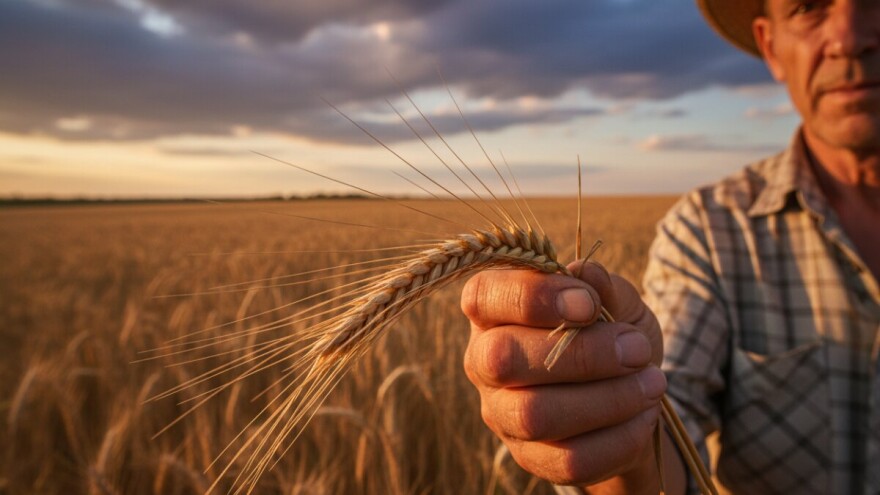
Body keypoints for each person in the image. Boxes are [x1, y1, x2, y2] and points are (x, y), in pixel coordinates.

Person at [460, 0, 880, 493]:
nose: (850, 38)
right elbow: (666, 432)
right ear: (771, 45)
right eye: (808, 6)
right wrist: (619, 434)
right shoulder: (709, 232)